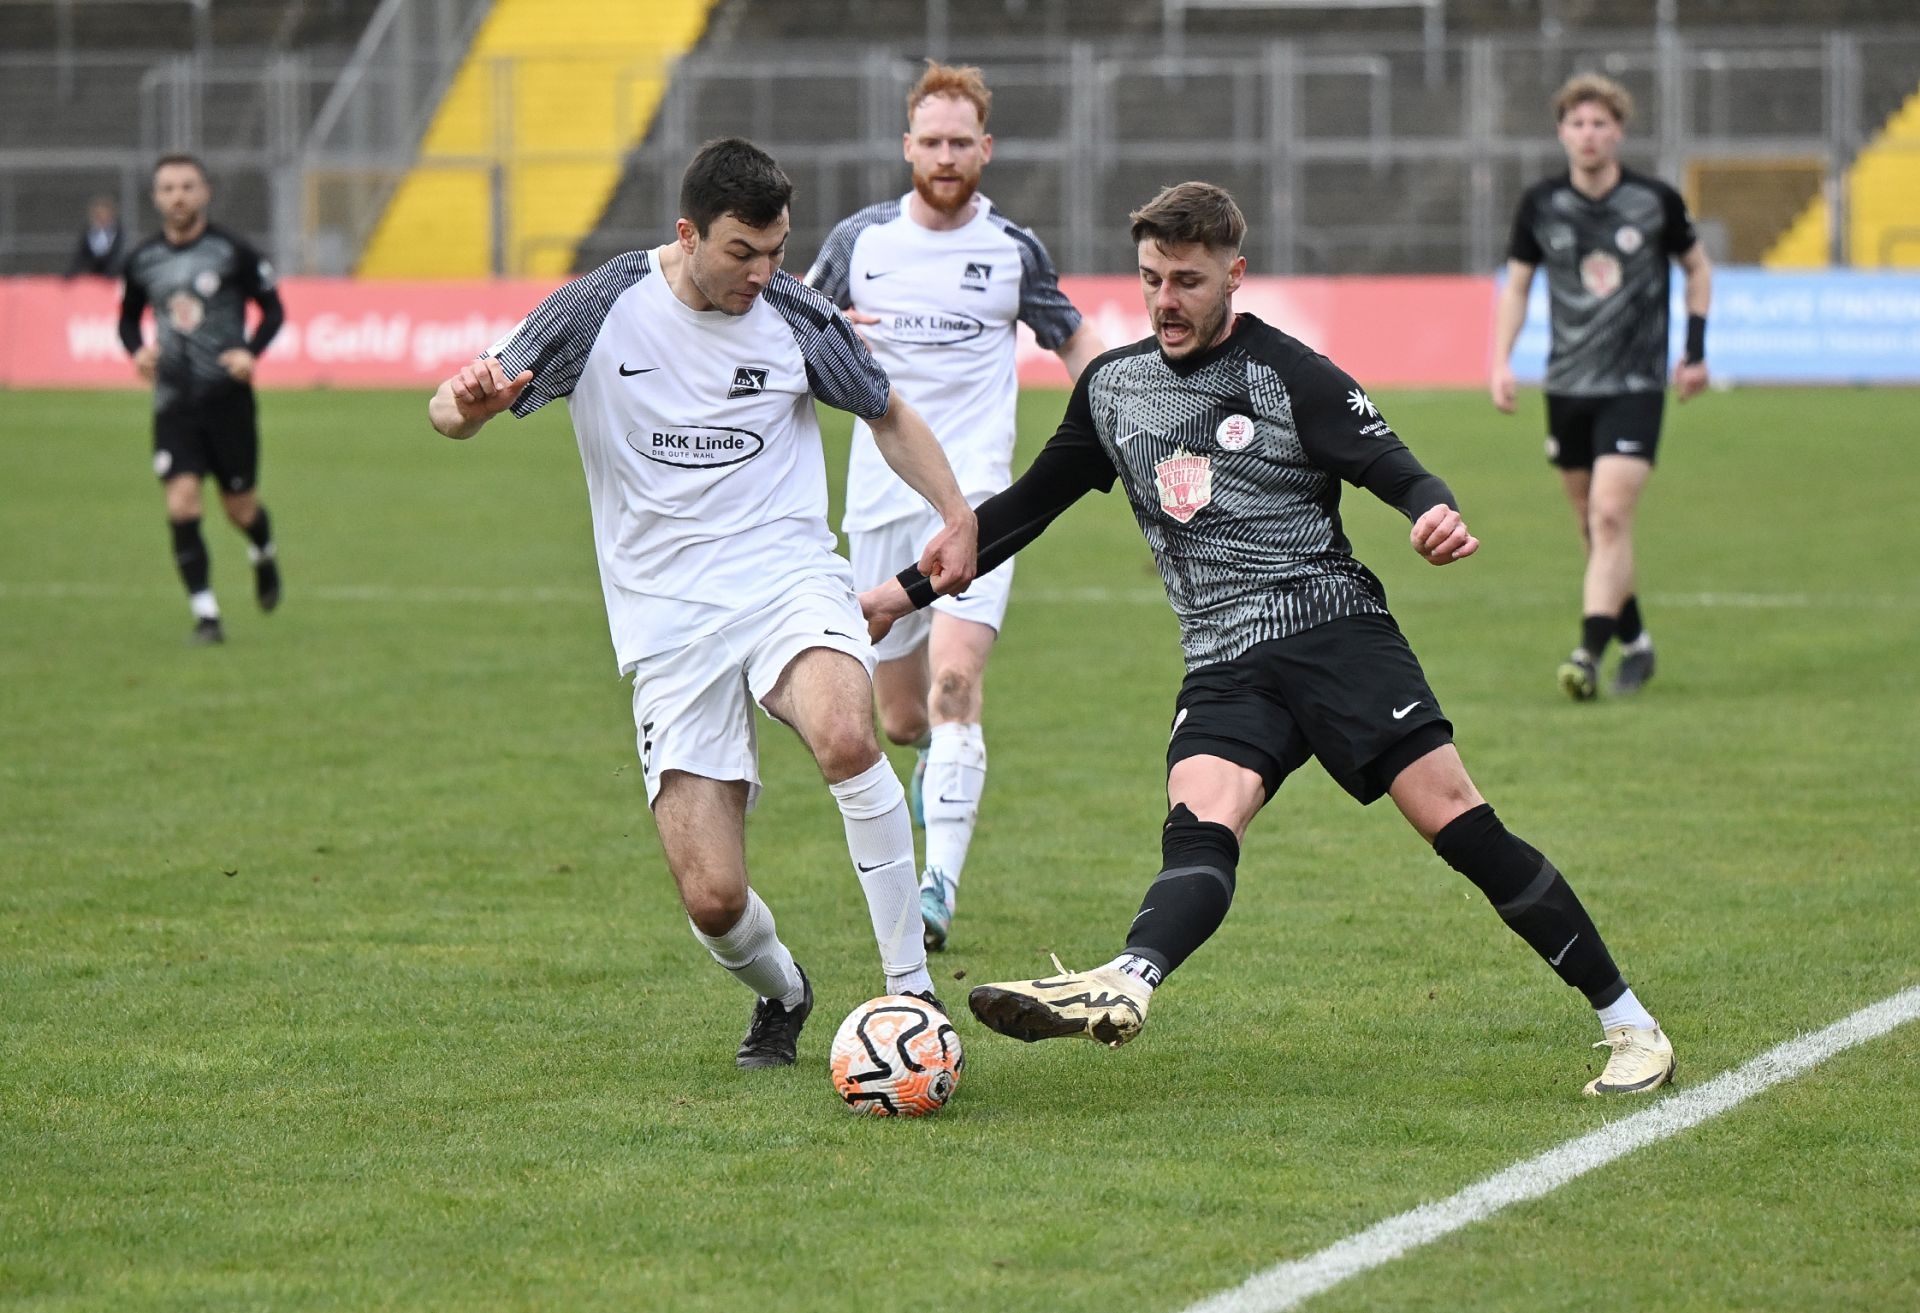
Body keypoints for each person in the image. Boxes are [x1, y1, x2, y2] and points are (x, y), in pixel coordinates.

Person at [861, 182, 1677, 1097]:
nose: (1165, 300)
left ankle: (1630, 1023)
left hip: (1332, 632)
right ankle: (1127, 979)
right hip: (1223, 659)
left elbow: (1393, 463)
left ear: (1234, 275)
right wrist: (899, 594)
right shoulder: (1114, 389)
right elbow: (1021, 510)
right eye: (1151, 279)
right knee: (1200, 824)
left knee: (1458, 823)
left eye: (1187, 281)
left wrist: (1432, 510)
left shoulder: (1288, 373)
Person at [428, 138, 979, 1070]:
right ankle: (785, 991)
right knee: (714, 901)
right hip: (666, 620)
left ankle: (912, 994)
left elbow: (886, 410)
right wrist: (470, 404)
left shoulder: (793, 312)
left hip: (784, 578)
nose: (762, 273)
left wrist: (956, 512)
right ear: (687, 235)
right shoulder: (600, 307)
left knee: (848, 735)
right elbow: (450, 410)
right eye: (741, 253)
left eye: (776, 250)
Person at [804, 61, 1105, 952]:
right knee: (900, 718)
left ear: (986, 149)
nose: (944, 156)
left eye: (959, 142)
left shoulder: (1013, 249)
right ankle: (939, 762)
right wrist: (821, 332)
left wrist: (1125, 401)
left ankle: (937, 889)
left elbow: (1072, 335)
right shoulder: (860, 241)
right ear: (908, 146)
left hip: (975, 502)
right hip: (877, 501)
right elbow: (789, 322)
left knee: (954, 684)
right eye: (930, 141)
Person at [1490, 72, 1713, 701]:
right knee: (1594, 528)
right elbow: (1517, 286)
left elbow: (1697, 269)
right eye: (1577, 123)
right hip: (1567, 385)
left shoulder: (1654, 201)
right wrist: (1500, 361)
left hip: (1635, 383)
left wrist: (1695, 351)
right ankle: (1636, 643)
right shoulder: (1540, 204)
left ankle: (1587, 654)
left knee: (1611, 515)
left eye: (1600, 123)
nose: (1588, 134)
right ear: (1562, 132)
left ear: (1618, 132)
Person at [119, 154, 286, 645]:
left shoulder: (231, 250)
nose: (178, 196)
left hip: (227, 399)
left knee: (240, 509)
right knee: (182, 503)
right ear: (156, 197)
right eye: (168, 188)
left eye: (187, 186)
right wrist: (138, 350)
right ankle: (206, 614)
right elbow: (127, 317)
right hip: (174, 401)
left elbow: (273, 309)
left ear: (205, 192)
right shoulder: (143, 259)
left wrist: (250, 351)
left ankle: (263, 551)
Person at [67, 195, 127, 278]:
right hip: (91, 273)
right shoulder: (89, 232)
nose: (101, 217)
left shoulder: (117, 232)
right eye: (98, 214)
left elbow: (117, 255)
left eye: (103, 213)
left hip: (111, 274)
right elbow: (81, 256)